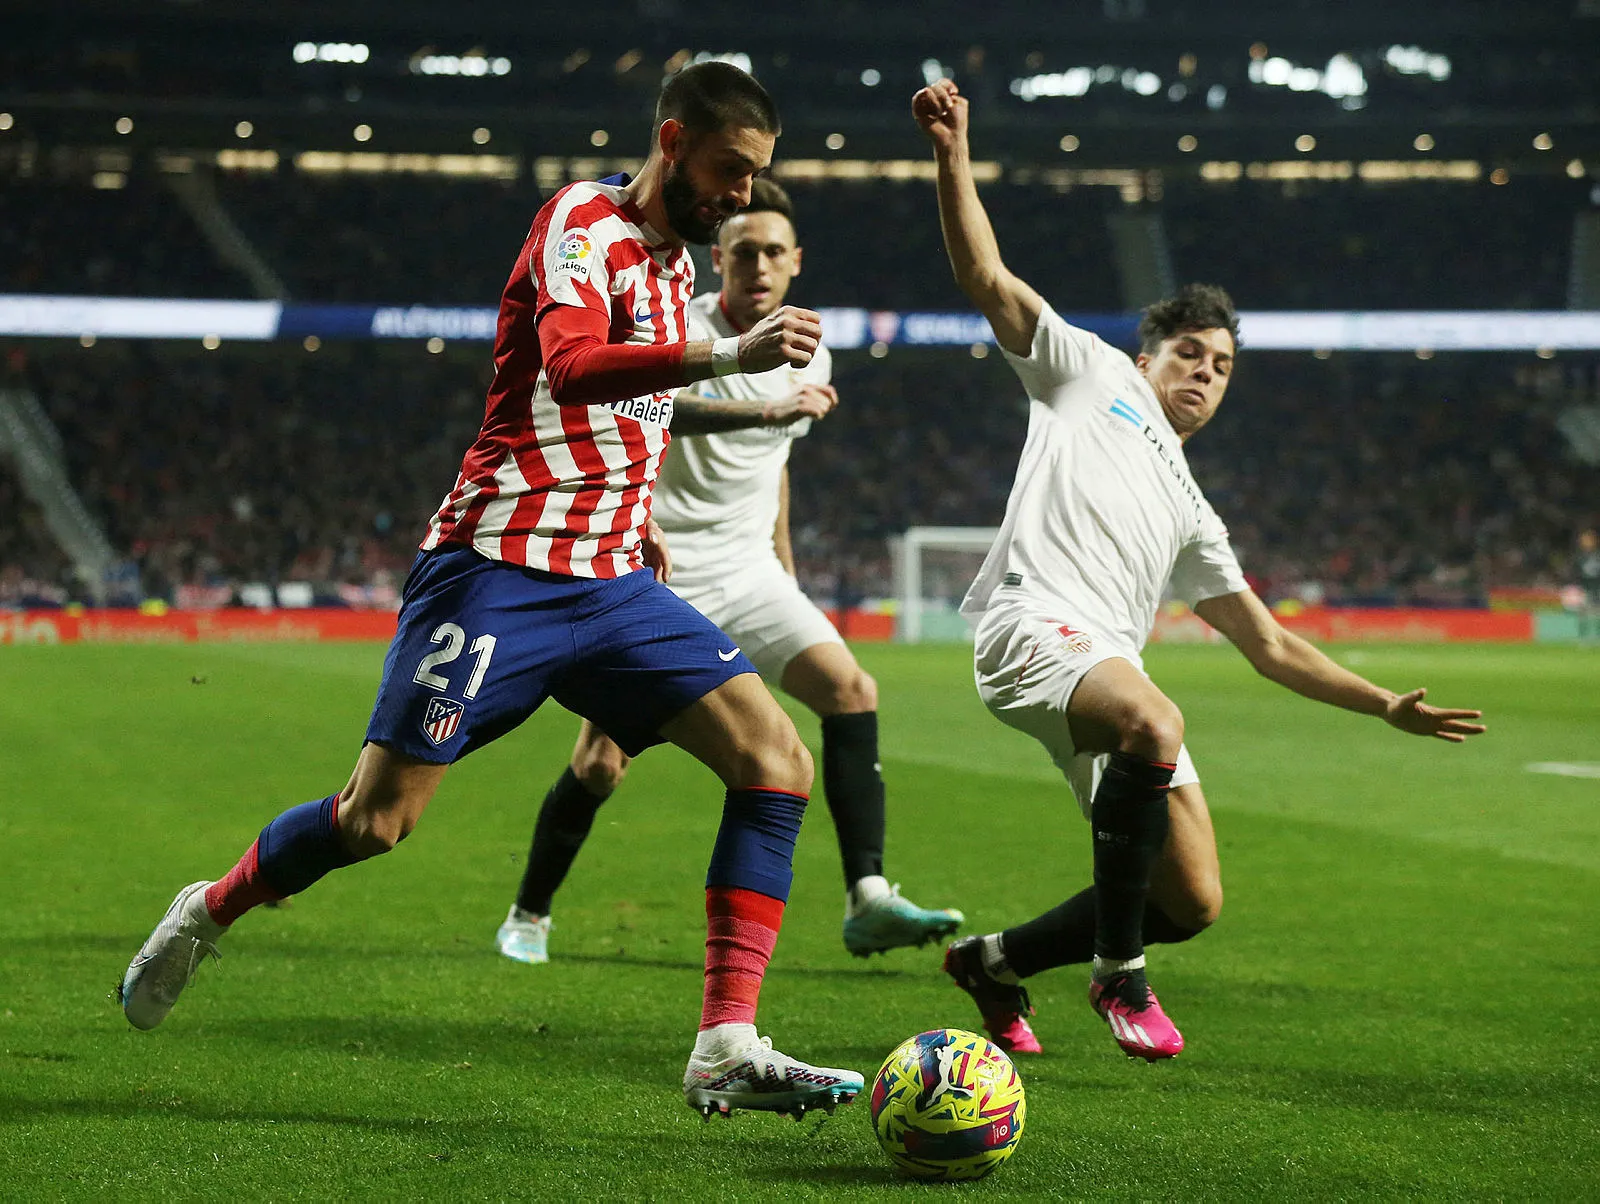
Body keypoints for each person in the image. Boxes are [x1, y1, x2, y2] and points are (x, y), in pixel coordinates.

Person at [119, 61, 865, 1122]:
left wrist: (638, 517)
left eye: (756, 179)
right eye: (731, 171)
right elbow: (569, 367)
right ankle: (208, 908)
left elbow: (627, 422)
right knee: (376, 822)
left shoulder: (665, 270)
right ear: (672, 141)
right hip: (498, 573)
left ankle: (724, 1044)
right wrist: (726, 355)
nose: (741, 195)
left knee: (776, 759)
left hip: (611, 583)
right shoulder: (581, 220)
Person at [911, 78, 1486, 1062]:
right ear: (1149, 352)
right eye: (1190, 351)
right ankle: (1116, 971)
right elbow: (987, 277)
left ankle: (992, 961)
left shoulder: (1189, 506)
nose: (1205, 372)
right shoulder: (1087, 372)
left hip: (1099, 666)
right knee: (1155, 719)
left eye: (1221, 366)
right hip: (1031, 626)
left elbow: (1267, 643)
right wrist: (953, 152)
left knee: (1194, 896)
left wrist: (1384, 702)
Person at [495, 178, 964, 968]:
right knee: (601, 762)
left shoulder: (806, 344)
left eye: (774, 252)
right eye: (744, 251)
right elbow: (643, 407)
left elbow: (776, 463)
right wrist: (764, 413)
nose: (759, 265)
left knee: (851, 691)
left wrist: (785, 559)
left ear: (796, 263)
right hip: (661, 570)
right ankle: (529, 915)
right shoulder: (681, 325)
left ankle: (868, 899)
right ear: (718, 259)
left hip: (751, 572)